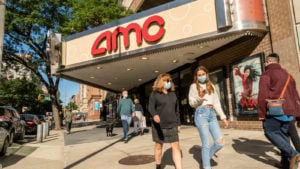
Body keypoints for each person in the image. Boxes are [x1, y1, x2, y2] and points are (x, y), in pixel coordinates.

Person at [258, 53, 300, 169]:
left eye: (265, 62)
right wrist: (297, 112)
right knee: (283, 135)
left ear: (268, 62)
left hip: (275, 111)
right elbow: (295, 95)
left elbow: (262, 95)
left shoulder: (266, 74)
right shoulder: (288, 75)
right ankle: (285, 164)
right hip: (289, 112)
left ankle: (293, 154)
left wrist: (261, 113)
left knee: (269, 132)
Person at [188, 65, 229, 169]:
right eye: (199, 75)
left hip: (212, 114)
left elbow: (216, 102)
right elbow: (192, 103)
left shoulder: (211, 85)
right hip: (201, 113)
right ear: (196, 77)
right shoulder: (193, 86)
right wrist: (200, 97)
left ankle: (205, 157)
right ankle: (206, 166)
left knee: (220, 142)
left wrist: (223, 117)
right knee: (206, 143)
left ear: (207, 74)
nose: (201, 76)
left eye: (203, 74)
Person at [148, 73, 182, 169]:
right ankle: (158, 166)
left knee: (176, 146)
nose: (169, 82)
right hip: (159, 126)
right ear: (160, 82)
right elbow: (151, 107)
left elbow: (177, 110)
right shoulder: (154, 94)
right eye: (166, 81)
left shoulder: (173, 94)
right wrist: (154, 115)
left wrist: (178, 123)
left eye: (170, 81)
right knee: (159, 146)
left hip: (172, 124)